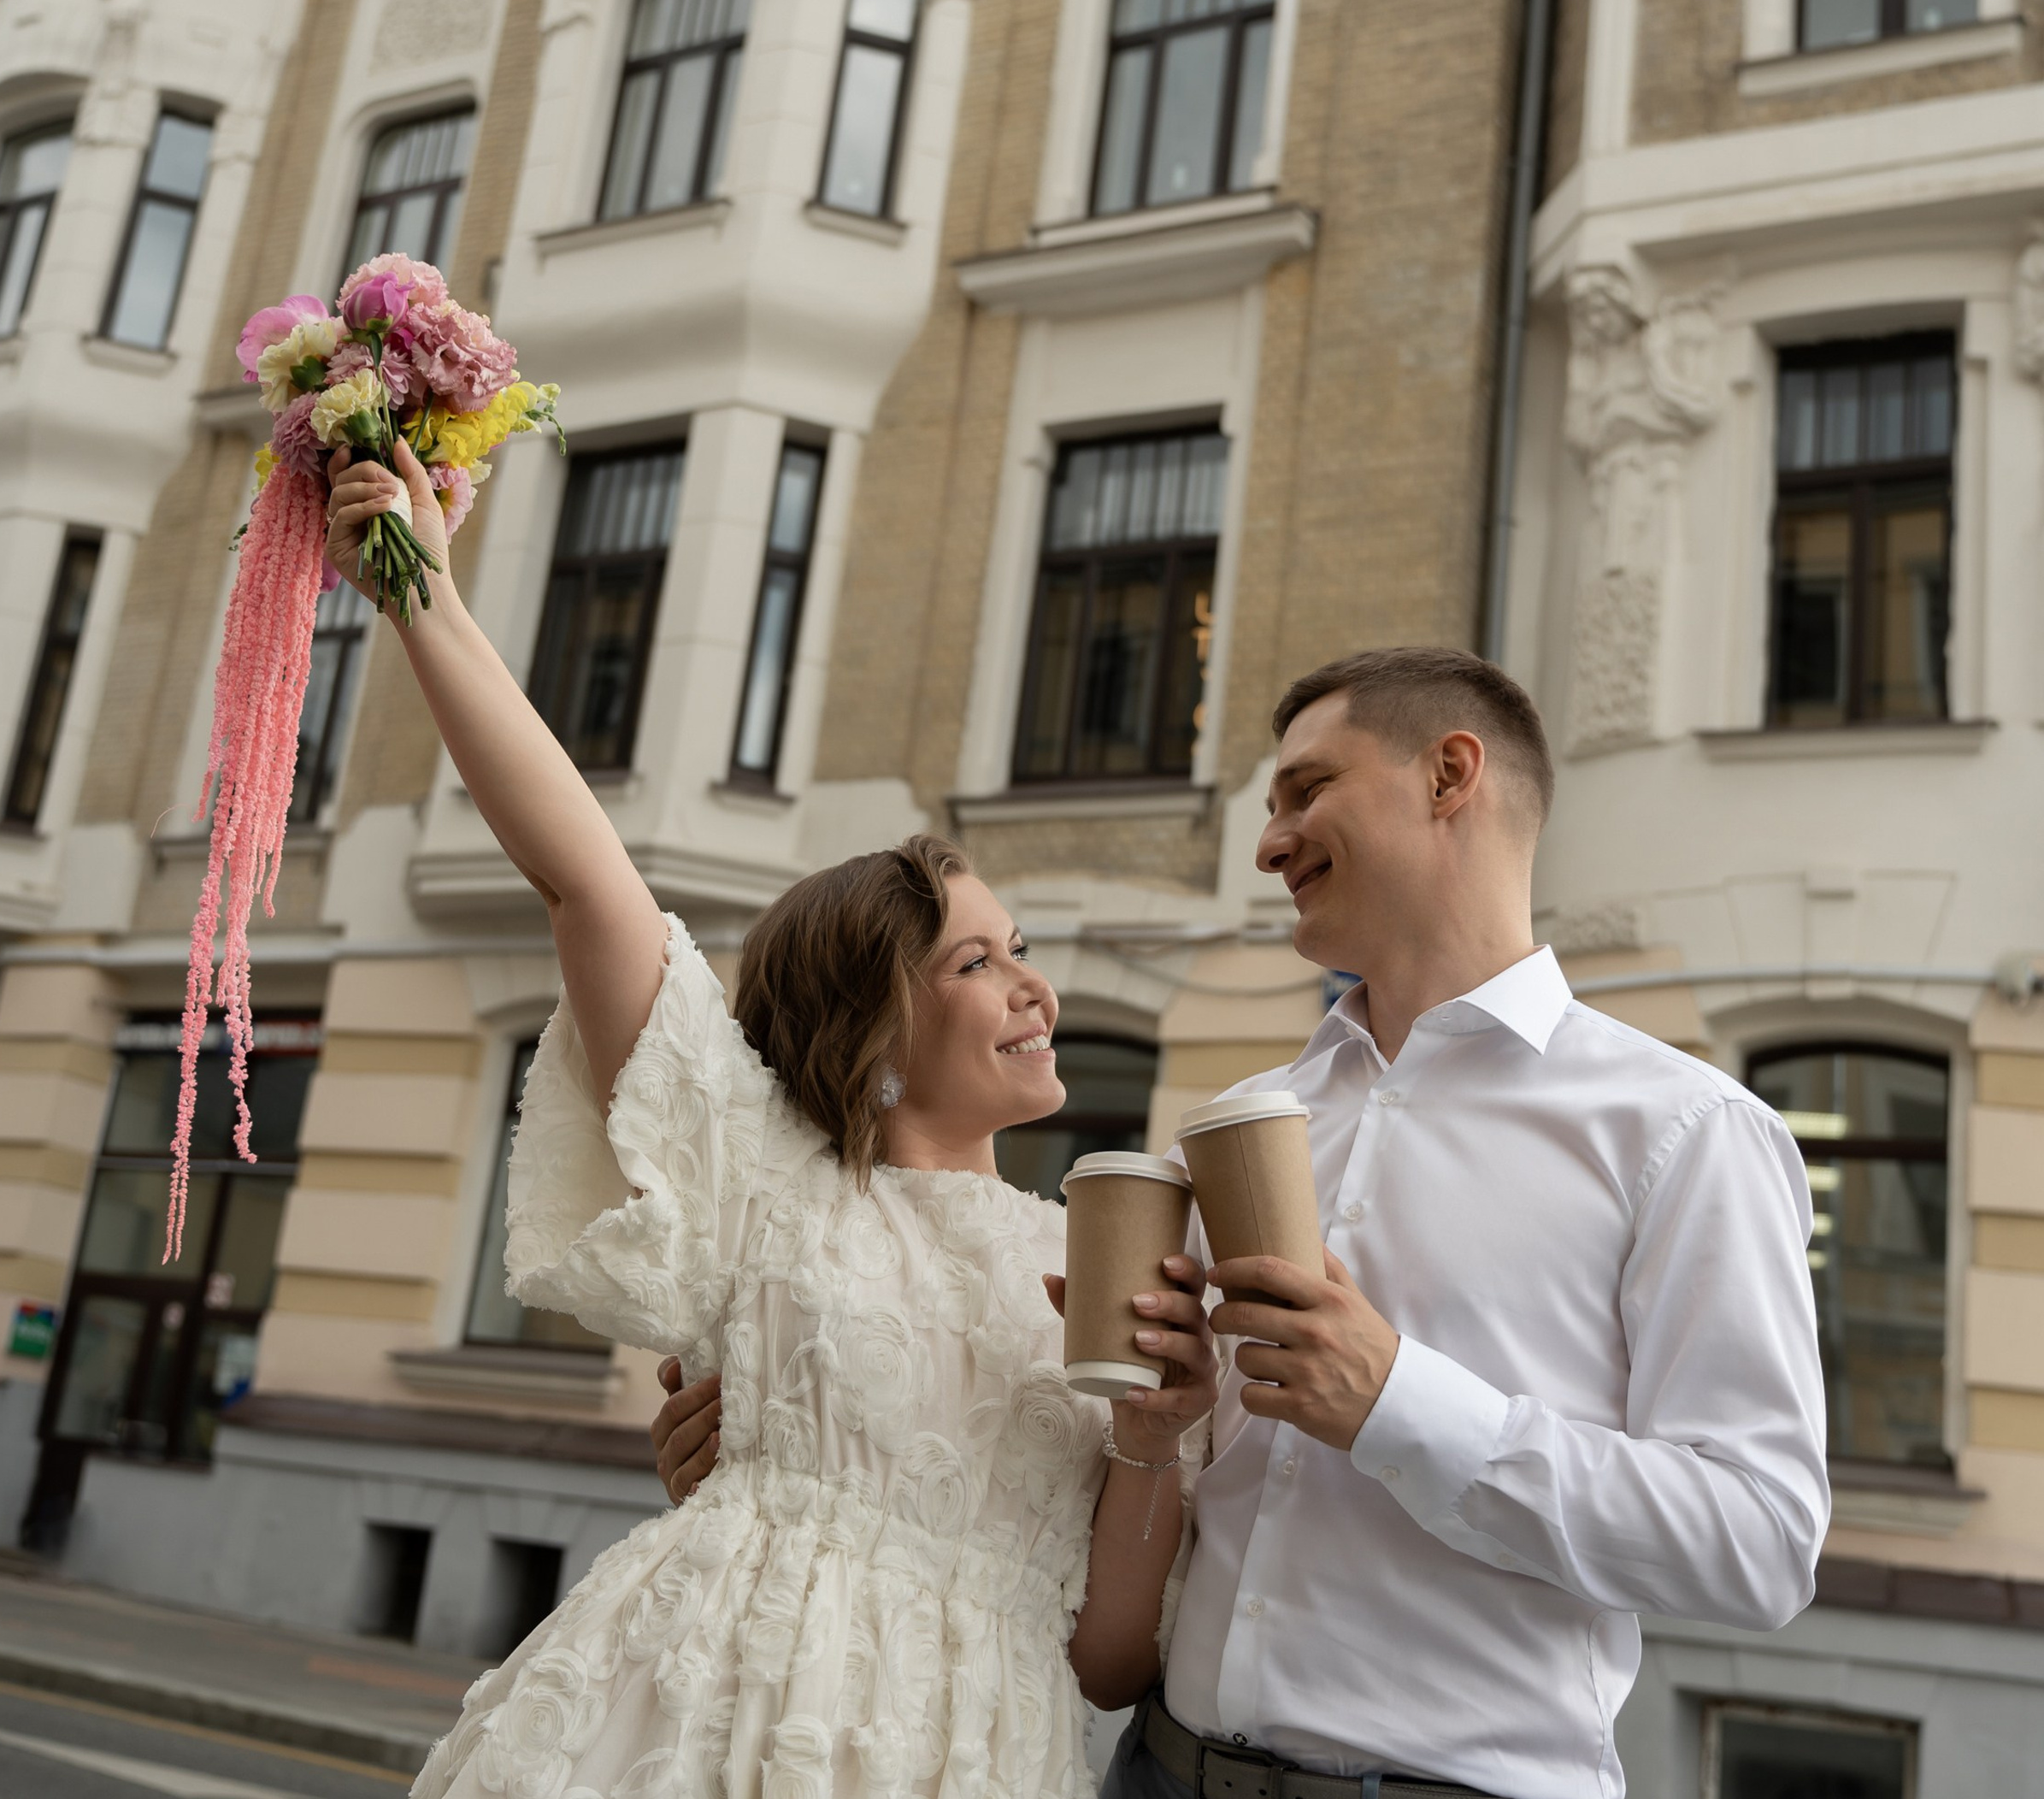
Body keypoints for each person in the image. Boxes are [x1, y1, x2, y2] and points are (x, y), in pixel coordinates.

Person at [657, 646, 1831, 1799]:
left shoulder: (1683, 1132)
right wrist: (789, 1454)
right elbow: (1088, 1469)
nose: (1268, 844)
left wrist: (1398, 1401)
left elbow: (1762, 1543)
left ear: (1450, 775)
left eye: (1307, 791)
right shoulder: (1230, 1134)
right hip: (1158, 1770)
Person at [323, 446, 1217, 1799]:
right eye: (976, 963)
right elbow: (584, 884)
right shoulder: (768, 1183)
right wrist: (421, 592)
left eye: (1021, 950)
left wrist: (1153, 1437)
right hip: (699, 1726)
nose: (1034, 989)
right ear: (874, 1028)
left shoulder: (1086, 1267)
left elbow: (1102, 1664)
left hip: (973, 1757)